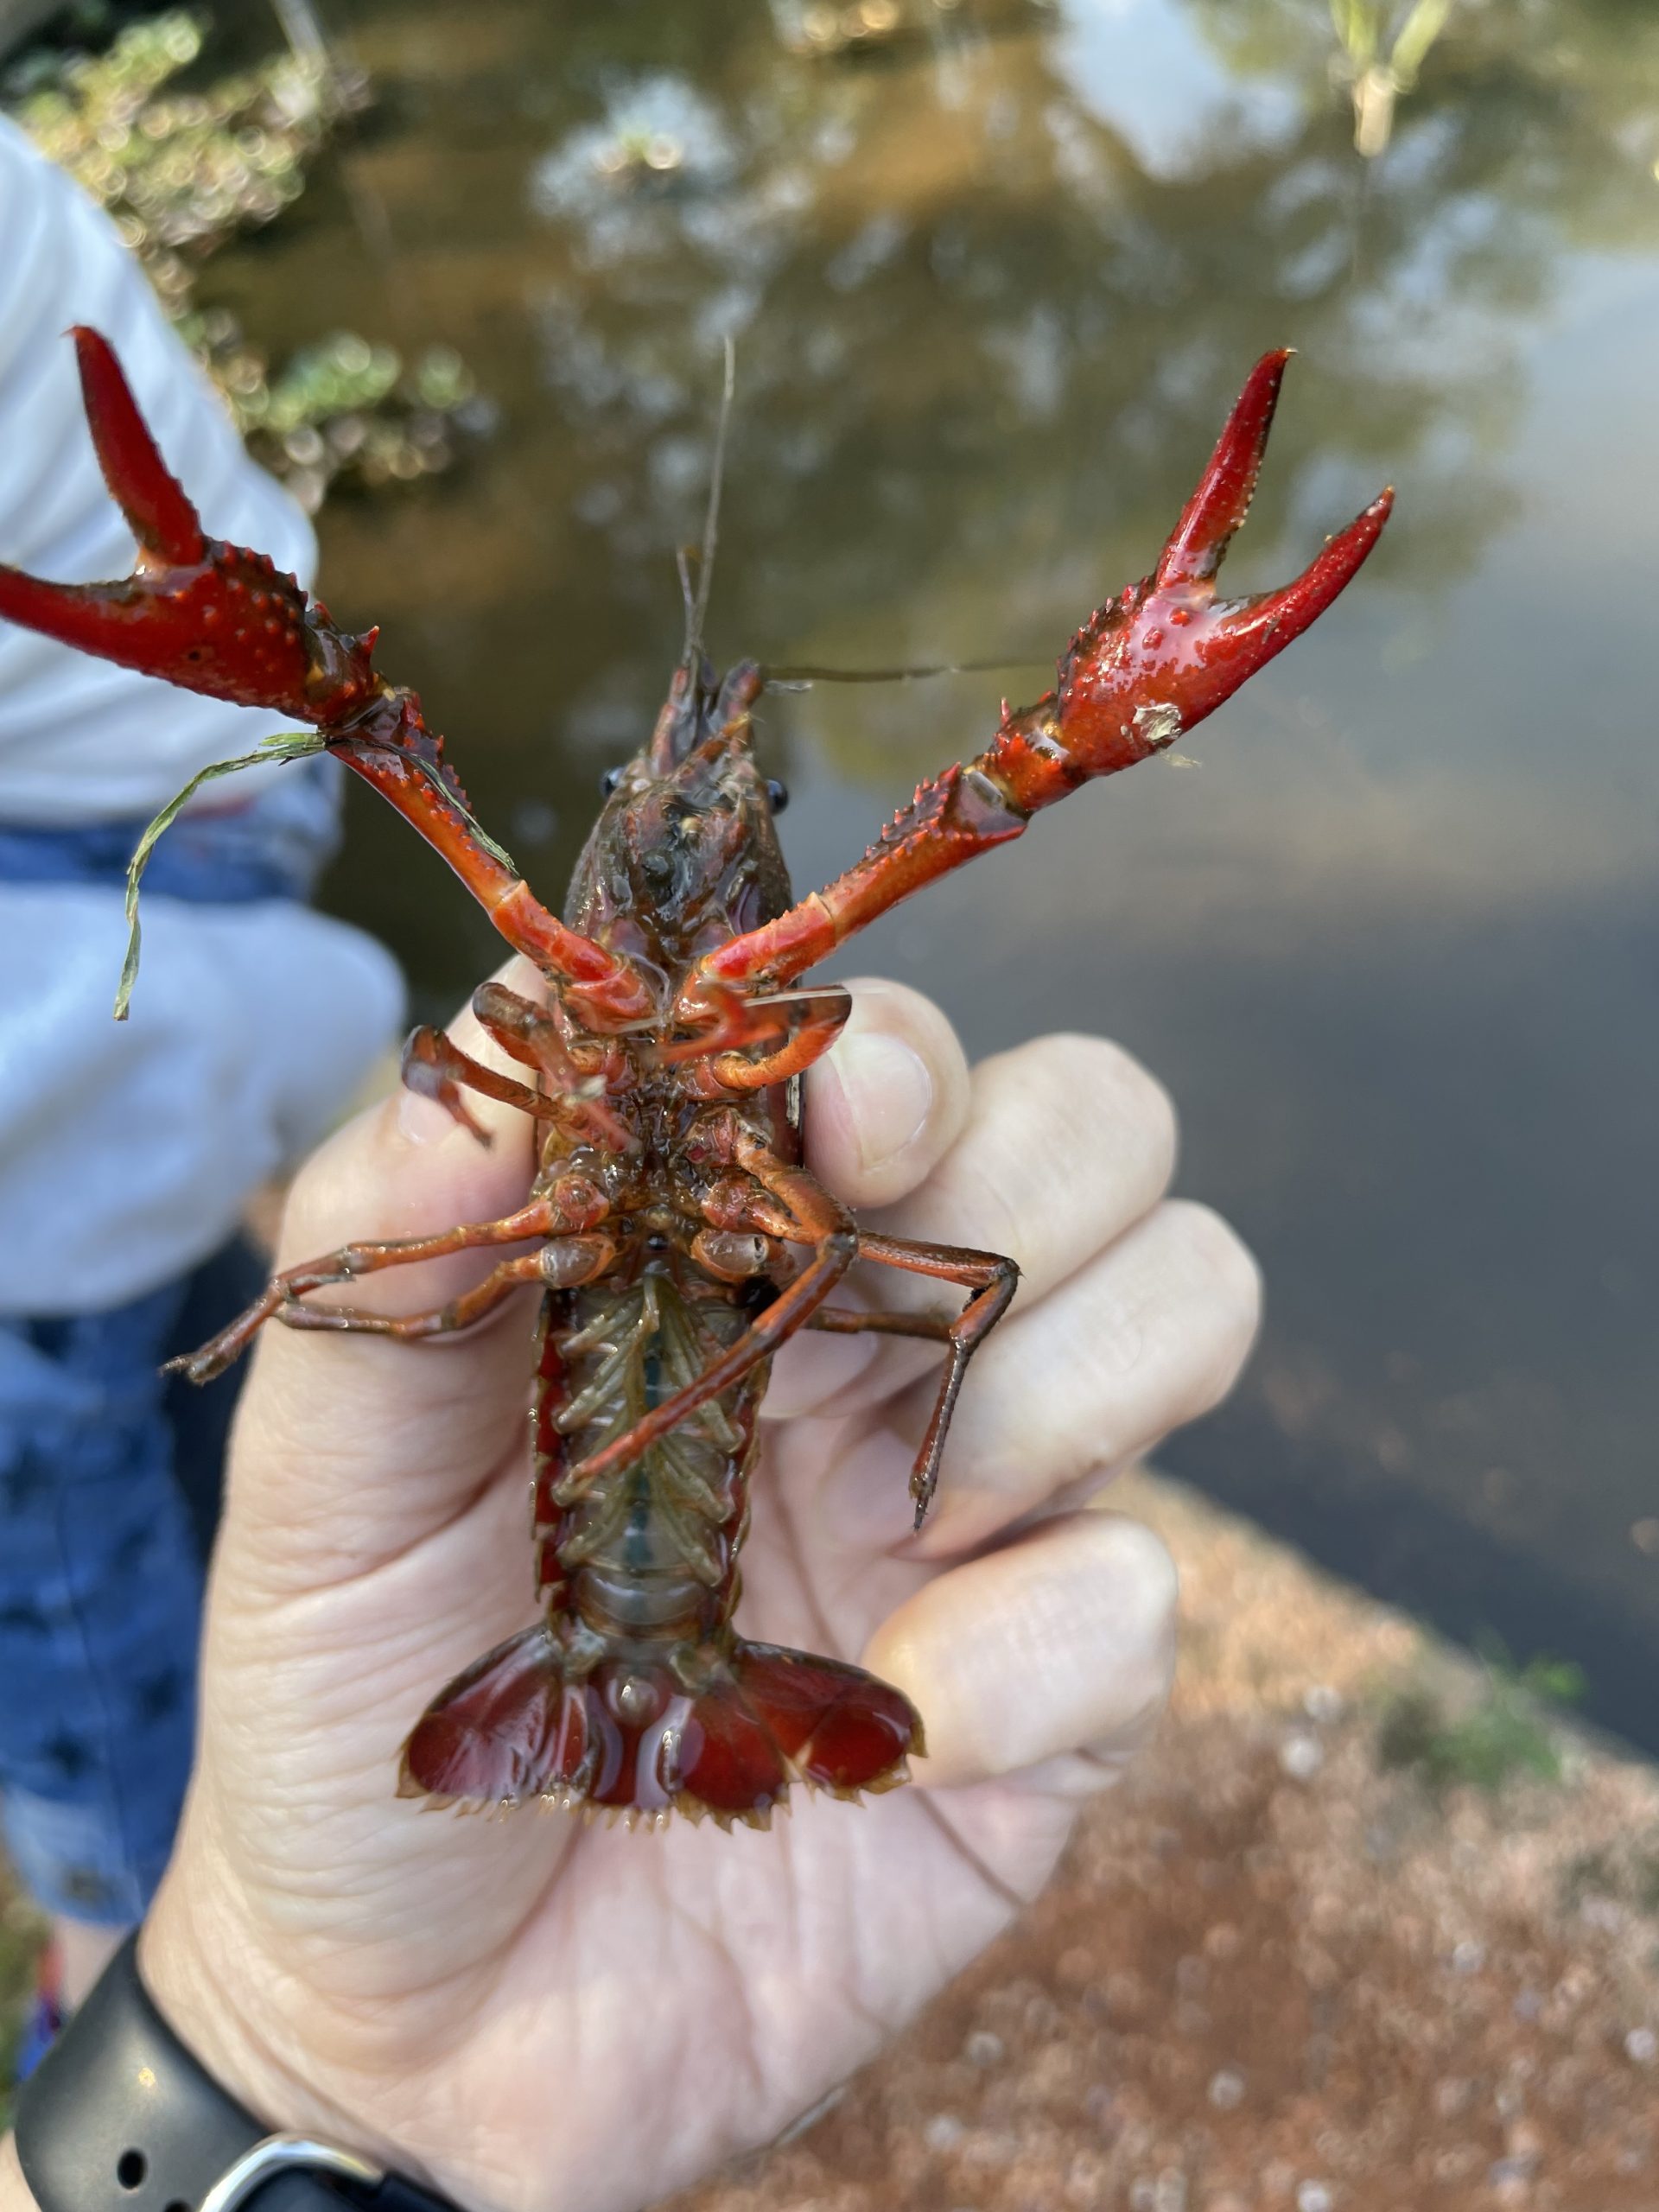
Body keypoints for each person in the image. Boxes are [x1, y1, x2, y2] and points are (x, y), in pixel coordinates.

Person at [0, 969, 1260, 2212]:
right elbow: (497, 1046)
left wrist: (294, 2073)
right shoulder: (620, 1030)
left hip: (702, 1475)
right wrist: (281, 2047)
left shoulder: (709, 1053)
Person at [0, 115, 404, 2037]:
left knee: (15, 1404)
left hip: (144, 782)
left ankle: (120, 1936)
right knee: (128, 1324)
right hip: (144, 744)